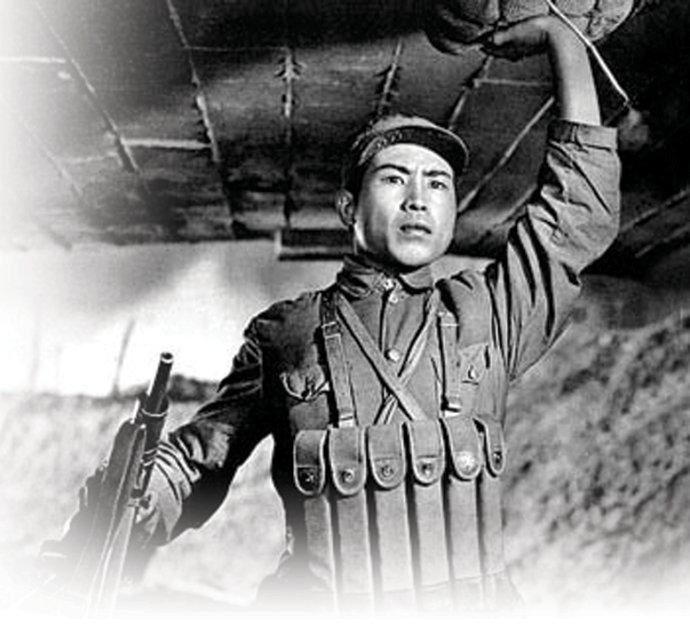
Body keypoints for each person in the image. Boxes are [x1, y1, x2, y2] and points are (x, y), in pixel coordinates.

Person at [54, 14, 621, 614]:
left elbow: (575, 215)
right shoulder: (286, 334)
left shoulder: (489, 314)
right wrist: (137, 498)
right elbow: (199, 459)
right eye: (395, 178)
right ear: (349, 206)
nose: (418, 199)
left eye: (438, 184)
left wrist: (565, 43)